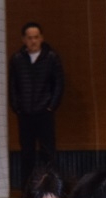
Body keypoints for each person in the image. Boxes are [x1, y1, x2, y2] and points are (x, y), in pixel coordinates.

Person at [9, 22, 64, 188]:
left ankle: (52, 188)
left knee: (48, 153)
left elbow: (59, 84)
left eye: (36, 37)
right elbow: (12, 85)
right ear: (24, 40)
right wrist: (16, 107)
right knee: (27, 154)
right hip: (25, 113)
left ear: (41, 38)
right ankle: (27, 190)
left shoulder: (51, 57)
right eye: (29, 38)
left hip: (44, 113)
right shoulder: (17, 59)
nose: (33, 41)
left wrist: (51, 106)